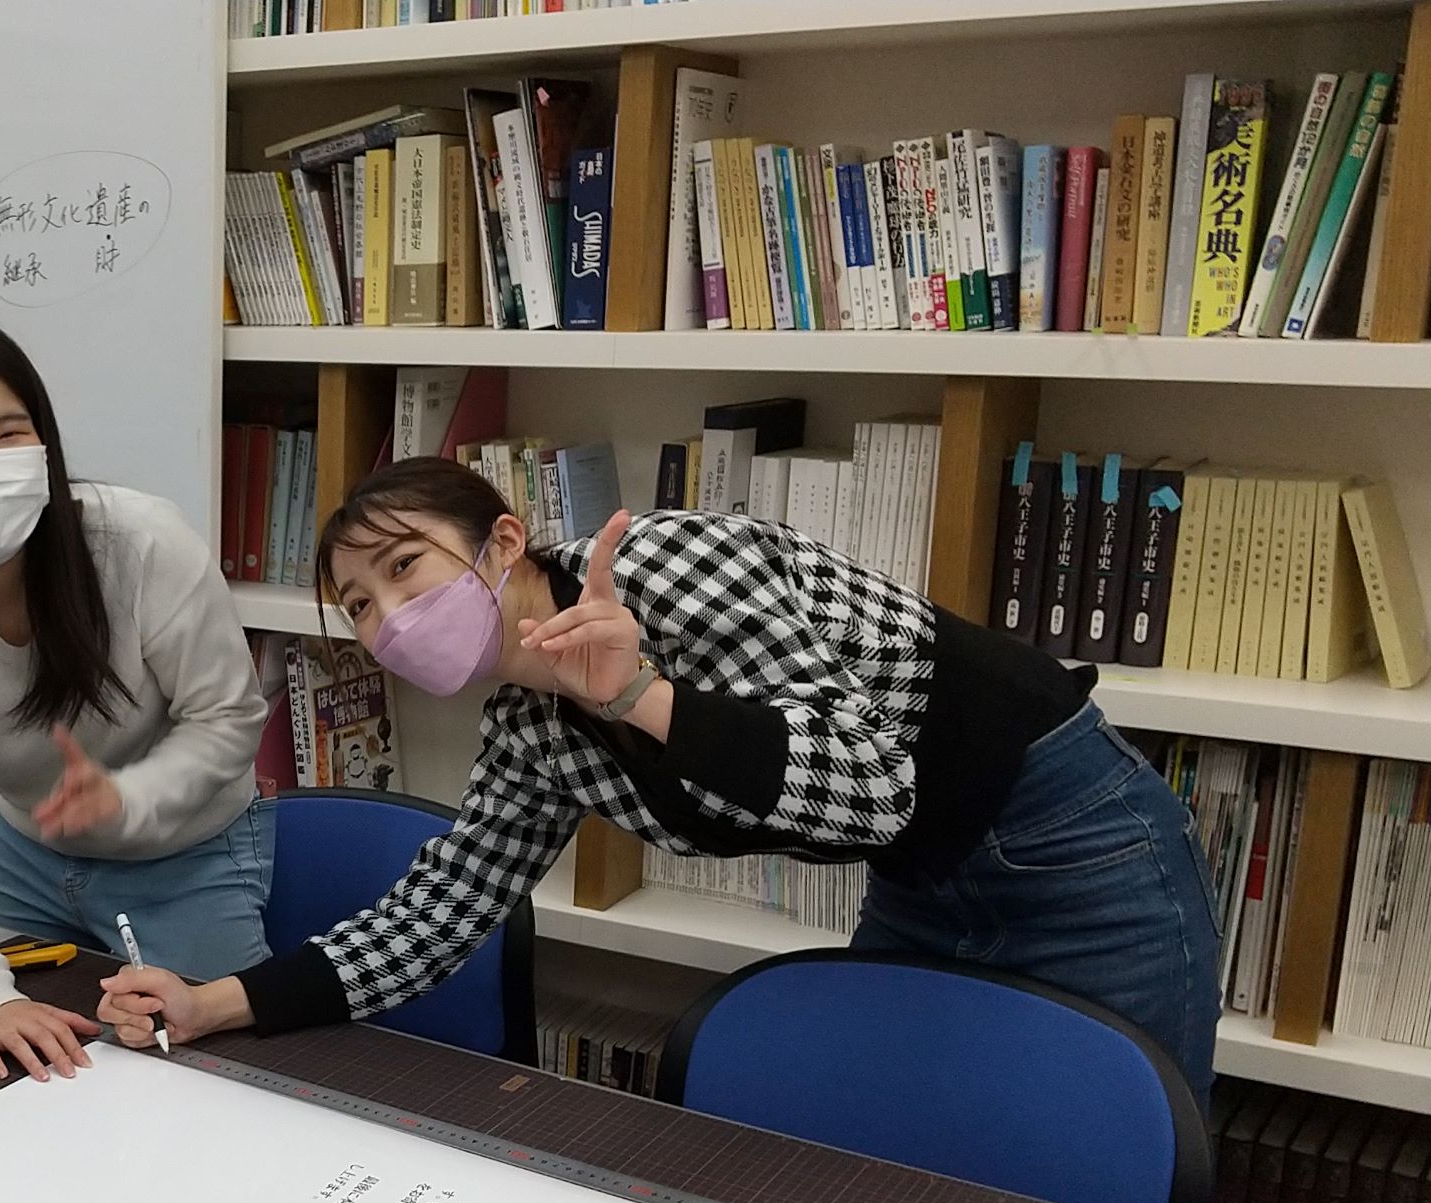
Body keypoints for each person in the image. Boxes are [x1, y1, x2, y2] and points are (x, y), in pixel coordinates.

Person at [100, 456, 1221, 1103]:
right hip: (920, 874)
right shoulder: (530, 728)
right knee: (910, 1136)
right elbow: (438, 914)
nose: (391, 616)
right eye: (360, 606)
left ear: (503, 542)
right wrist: (216, 1001)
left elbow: (874, 783)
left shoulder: (664, 567)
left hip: (1073, 834)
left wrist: (642, 695)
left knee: (1124, 1143)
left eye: (406, 568)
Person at [0, 312, 271, 1084]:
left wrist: (128, 798)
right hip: (26, 856)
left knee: (214, 1080)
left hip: (188, 857)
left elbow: (228, 717)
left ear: (44, 445)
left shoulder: (141, 543)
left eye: (9, 432)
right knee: (24, 1075)